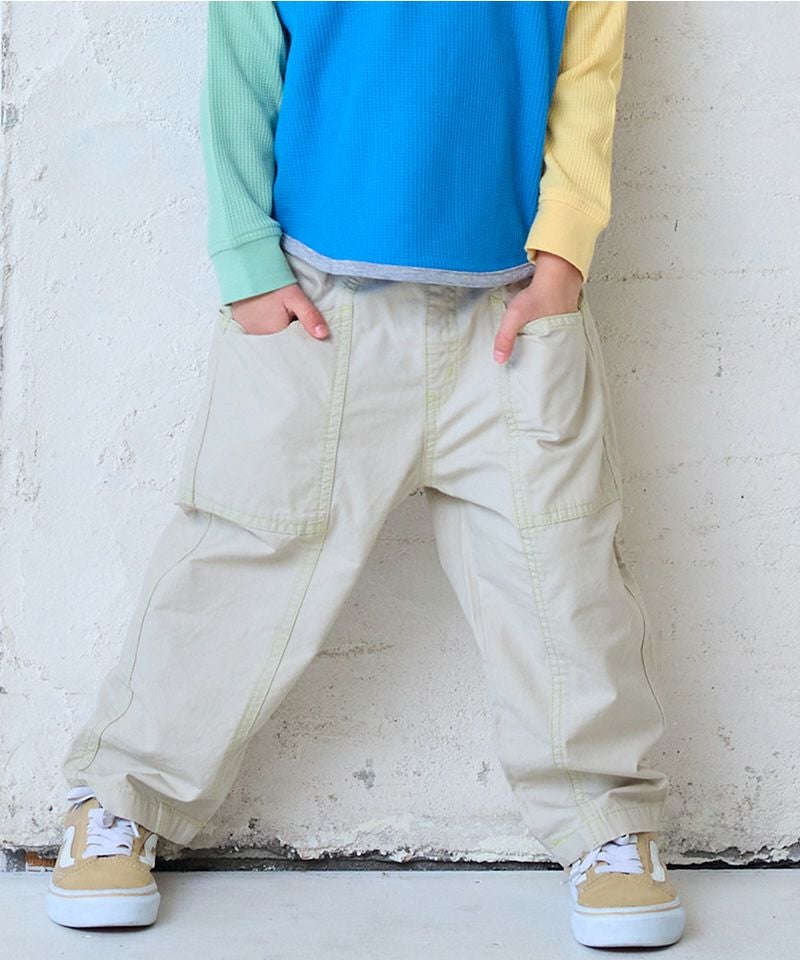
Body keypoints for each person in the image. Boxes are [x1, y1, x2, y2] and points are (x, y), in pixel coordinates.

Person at [47, 1, 685, 948]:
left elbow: (588, 69)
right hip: (319, 305)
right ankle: (122, 796)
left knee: (562, 571)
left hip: (512, 313)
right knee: (244, 557)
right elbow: (242, 63)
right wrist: (245, 258)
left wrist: (564, 253)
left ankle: (608, 821)